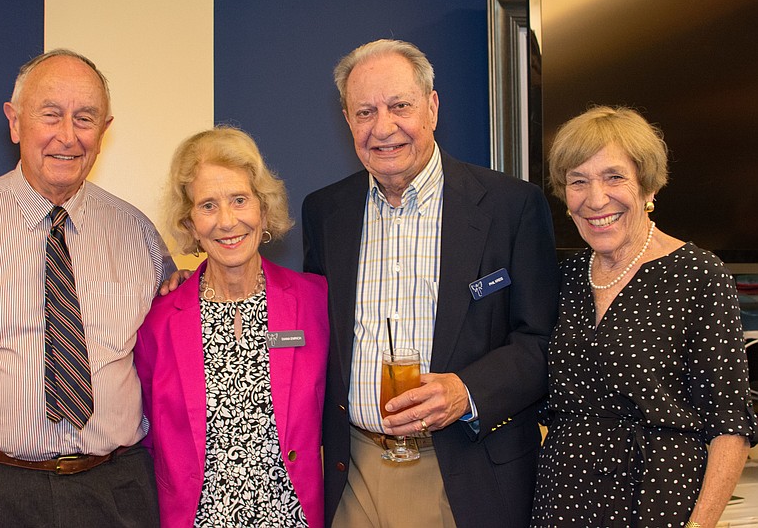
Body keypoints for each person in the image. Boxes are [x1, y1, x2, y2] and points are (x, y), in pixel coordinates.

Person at [0, 49, 175, 527]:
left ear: (104, 131)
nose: (67, 135)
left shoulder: (140, 236)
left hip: (113, 491)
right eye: (50, 114)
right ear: (14, 122)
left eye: (85, 118)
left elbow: (171, 368)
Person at [301, 39, 560, 528]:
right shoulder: (324, 211)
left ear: (433, 106)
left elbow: (540, 342)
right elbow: (308, 324)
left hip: (466, 468)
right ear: (347, 120)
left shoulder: (511, 207)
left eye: (400, 106)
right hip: (353, 474)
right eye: (364, 112)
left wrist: (467, 390)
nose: (383, 127)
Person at [531, 106, 757, 527]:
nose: (596, 199)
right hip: (560, 502)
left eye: (614, 177)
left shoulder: (699, 275)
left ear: (648, 186)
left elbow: (730, 425)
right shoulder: (564, 278)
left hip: (658, 502)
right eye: (578, 181)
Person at [136, 127, 329, 527]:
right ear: (189, 224)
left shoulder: (314, 302)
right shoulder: (158, 322)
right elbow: (149, 440)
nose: (227, 222)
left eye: (239, 200)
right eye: (207, 206)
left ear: (263, 208)